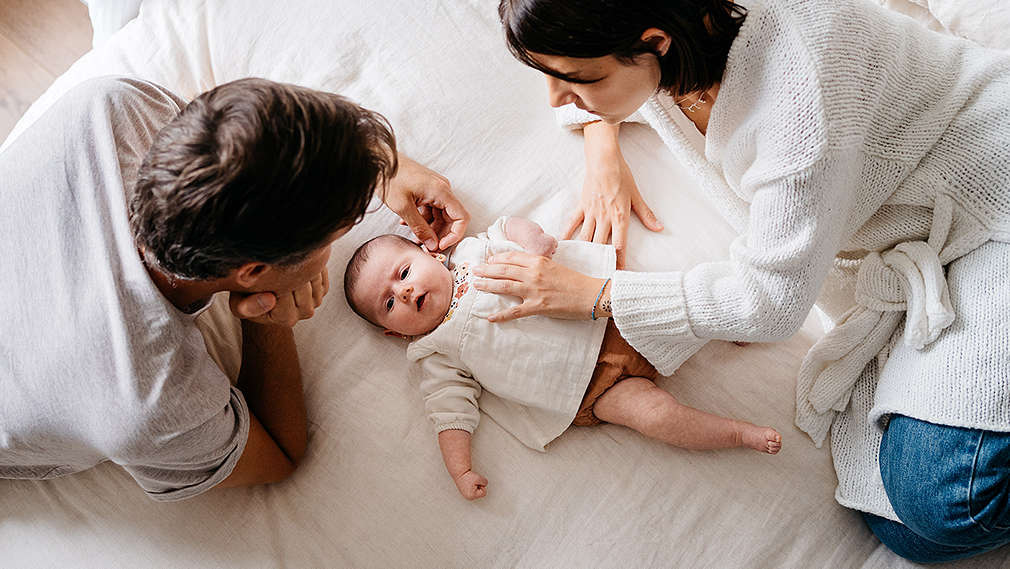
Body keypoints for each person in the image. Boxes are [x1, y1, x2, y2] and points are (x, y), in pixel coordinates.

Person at [484, 0, 1010, 562]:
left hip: (991, 204)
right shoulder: (678, 45)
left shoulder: (799, 94)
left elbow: (772, 302)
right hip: (927, 229)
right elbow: (592, 80)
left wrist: (598, 296)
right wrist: (602, 146)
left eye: (576, 80)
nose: (554, 98)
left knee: (949, 502)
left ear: (655, 43)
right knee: (901, 527)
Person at [0, 76, 469, 501]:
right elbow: (278, 455)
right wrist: (270, 319)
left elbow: (237, 130)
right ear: (253, 272)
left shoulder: (116, 108)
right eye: (332, 239)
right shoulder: (146, 399)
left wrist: (376, 164)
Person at [343, 216, 782, 500]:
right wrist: (461, 470)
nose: (404, 291)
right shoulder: (435, 352)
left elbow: (506, 227)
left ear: (430, 253)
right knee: (655, 417)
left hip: (605, 314)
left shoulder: (474, 256)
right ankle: (737, 433)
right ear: (393, 333)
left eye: (403, 273)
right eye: (389, 303)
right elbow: (448, 411)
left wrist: (534, 241)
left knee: (674, 311)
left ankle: (726, 320)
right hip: (592, 392)